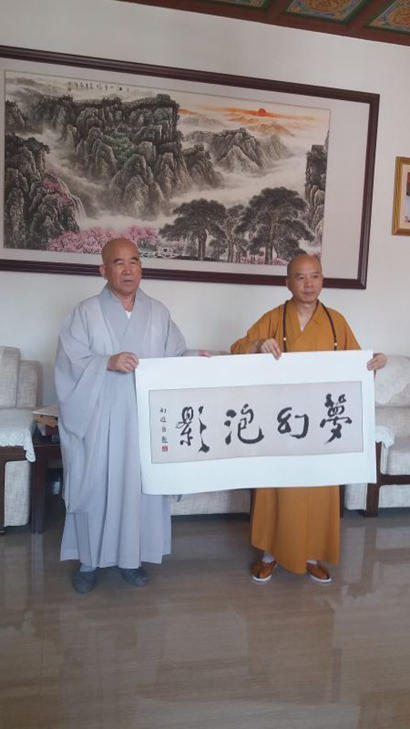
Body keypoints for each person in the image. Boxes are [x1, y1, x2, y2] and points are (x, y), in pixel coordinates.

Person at [231, 254, 386, 585]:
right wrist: (258, 344)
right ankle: (269, 555)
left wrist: (374, 362)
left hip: (320, 424)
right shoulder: (274, 318)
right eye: (300, 277)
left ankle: (313, 555)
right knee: (278, 487)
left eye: (314, 276)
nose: (308, 284)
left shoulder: (335, 322)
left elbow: (356, 365)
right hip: (280, 421)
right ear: (287, 283)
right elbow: (237, 348)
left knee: (319, 487)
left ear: (322, 280)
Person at [55, 238, 187, 593]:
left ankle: (132, 559)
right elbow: (68, 363)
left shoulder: (158, 313)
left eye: (134, 261)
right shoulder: (84, 313)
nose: (128, 270)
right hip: (98, 420)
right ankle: (88, 562)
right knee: (94, 486)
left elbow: (175, 357)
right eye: (118, 263)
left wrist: (196, 361)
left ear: (141, 267)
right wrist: (106, 362)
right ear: (103, 270)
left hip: (144, 422)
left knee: (139, 489)